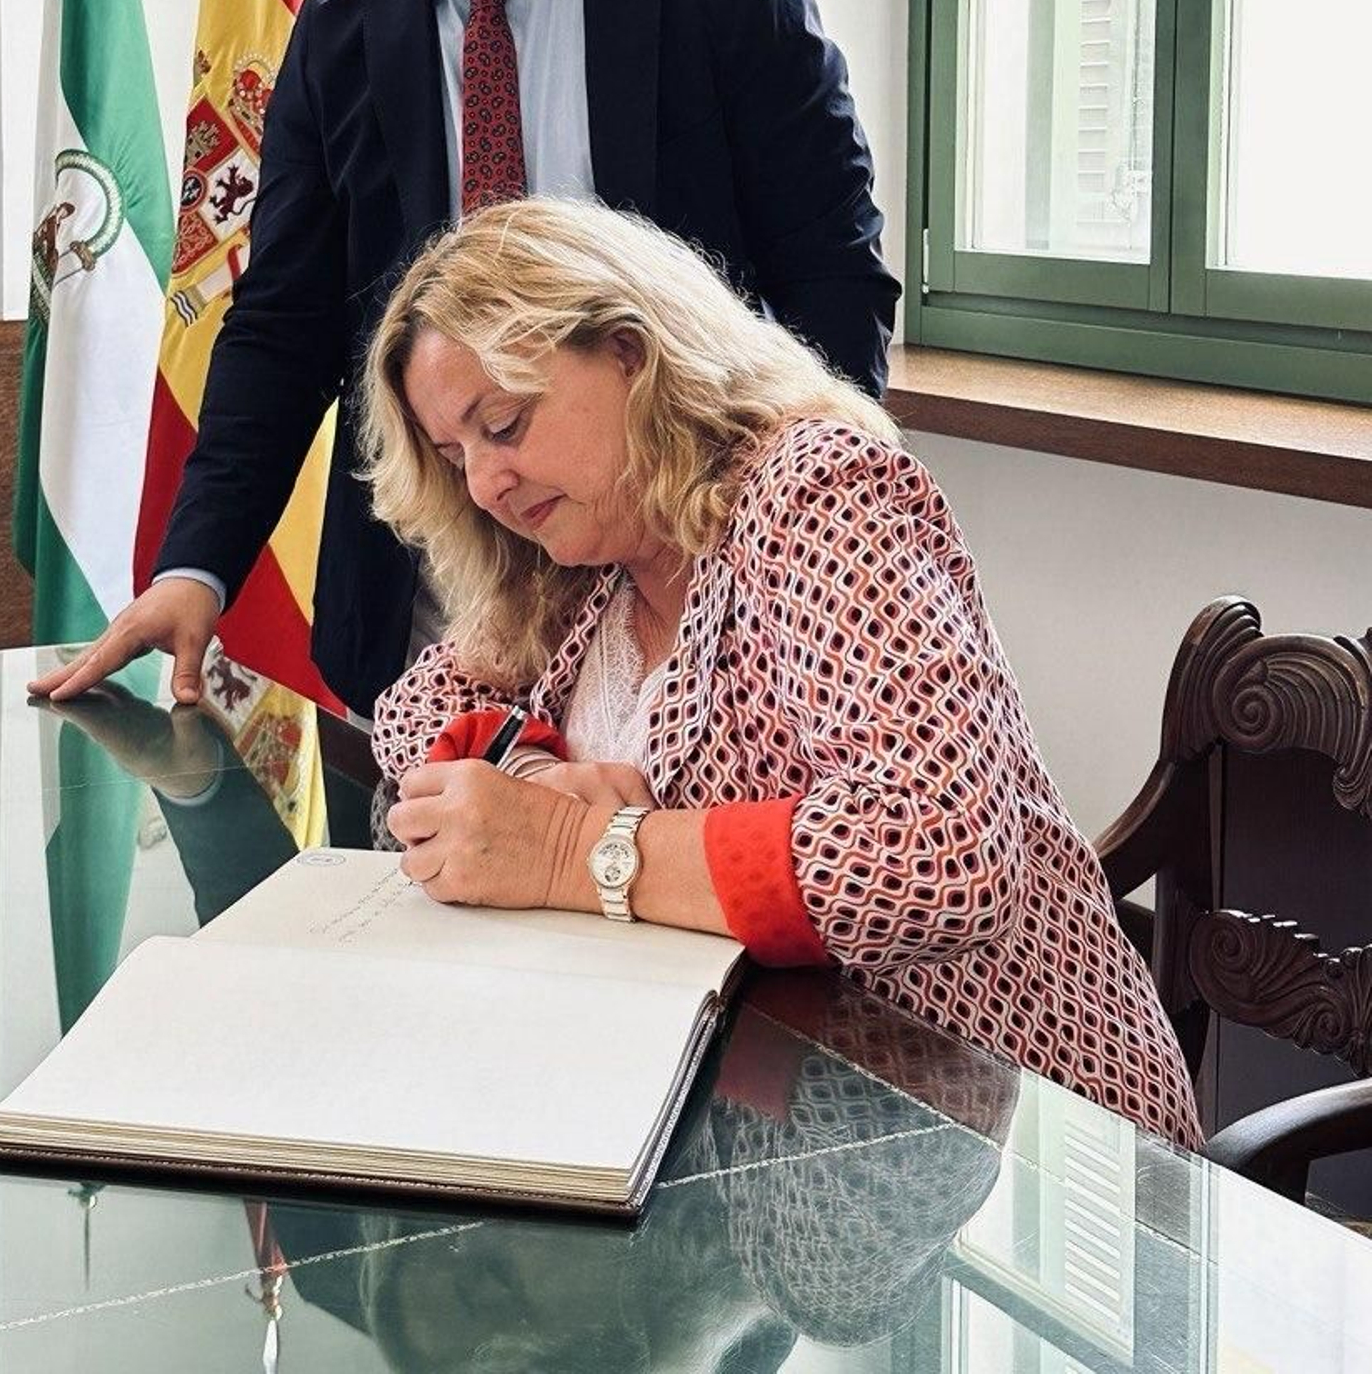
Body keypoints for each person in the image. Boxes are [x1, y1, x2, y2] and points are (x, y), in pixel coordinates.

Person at [34, 0, 898, 718]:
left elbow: (835, 285)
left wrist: (797, 527)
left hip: (692, 570)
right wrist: (195, 567)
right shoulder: (335, 42)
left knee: (649, 869)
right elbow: (282, 332)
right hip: (437, 609)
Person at [363, 198, 1202, 1149]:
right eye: (453, 454)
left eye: (504, 424)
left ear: (632, 355)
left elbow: (940, 849)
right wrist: (529, 777)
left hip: (1020, 1137)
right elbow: (425, 703)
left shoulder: (817, 491)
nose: (483, 484)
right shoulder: (580, 555)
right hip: (787, 1114)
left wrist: (579, 848)